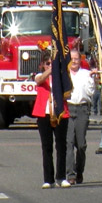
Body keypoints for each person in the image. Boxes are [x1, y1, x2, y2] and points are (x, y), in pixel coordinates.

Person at [32, 53, 70, 188]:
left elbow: (69, 92)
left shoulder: (62, 78)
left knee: (61, 146)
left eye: (51, 63)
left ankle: (61, 177)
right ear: (42, 65)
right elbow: (39, 80)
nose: (49, 65)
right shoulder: (39, 75)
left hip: (60, 113)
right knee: (47, 147)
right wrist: (51, 69)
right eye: (47, 63)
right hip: (44, 114)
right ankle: (48, 179)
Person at [66, 48, 96, 185]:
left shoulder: (85, 74)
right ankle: (70, 174)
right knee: (69, 142)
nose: (74, 61)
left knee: (81, 144)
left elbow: (91, 92)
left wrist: (92, 79)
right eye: (71, 58)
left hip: (82, 109)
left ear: (80, 60)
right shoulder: (64, 73)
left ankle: (79, 171)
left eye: (76, 58)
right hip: (68, 107)